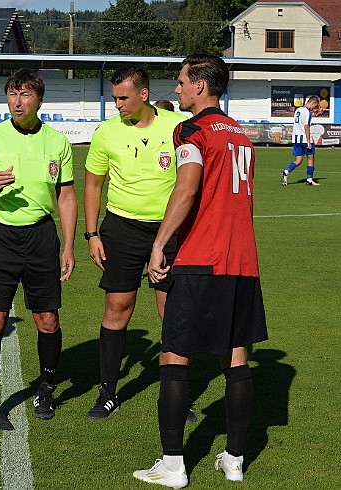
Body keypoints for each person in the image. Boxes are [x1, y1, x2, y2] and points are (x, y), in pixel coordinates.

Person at [133, 53, 268, 488]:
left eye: (181, 82)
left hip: (201, 258)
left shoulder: (191, 129)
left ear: (201, 86)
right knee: (236, 356)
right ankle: (234, 458)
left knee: (173, 352)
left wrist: (158, 244)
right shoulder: (241, 135)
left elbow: (187, 187)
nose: (176, 89)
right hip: (242, 260)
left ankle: (173, 465)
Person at [0, 68, 77, 430]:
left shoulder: (58, 142)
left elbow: (67, 196)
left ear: (39, 100)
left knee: (48, 319)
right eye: (12, 94)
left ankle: (45, 387)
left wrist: (69, 247)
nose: (17, 101)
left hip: (41, 238)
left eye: (25, 95)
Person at [83, 66, 185, 420]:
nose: (117, 105)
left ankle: (178, 396)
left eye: (123, 98)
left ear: (143, 94)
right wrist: (92, 233)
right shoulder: (106, 132)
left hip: (169, 231)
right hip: (121, 229)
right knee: (117, 308)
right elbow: (93, 184)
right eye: (114, 98)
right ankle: (107, 392)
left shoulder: (177, 127)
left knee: (171, 312)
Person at [281, 95, 320, 186]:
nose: (314, 108)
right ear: (312, 103)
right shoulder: (308, 112)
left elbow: (301, 121)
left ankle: (285, 172)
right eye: (315, 106)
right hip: (304, 139)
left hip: (296, 138)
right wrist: (309, 142)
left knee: (298, 160)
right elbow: (306, 126)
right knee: (311, 158)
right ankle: (309, 179)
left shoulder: (298, 110)